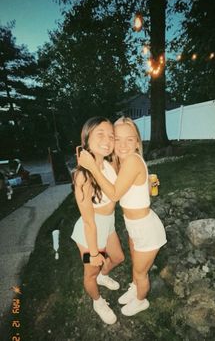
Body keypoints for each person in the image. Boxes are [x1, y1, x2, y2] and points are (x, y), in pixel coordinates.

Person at [78, 116, 167, 316]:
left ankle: (140, 298)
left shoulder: (127, 162)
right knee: (90, 269)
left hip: (131, 227)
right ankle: (98, 300)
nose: (122, 144)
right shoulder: (114, 164)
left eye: (130, 139)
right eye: (117, 139)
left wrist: (92, 165)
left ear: (137, 142)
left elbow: (116, 192)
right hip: (91, 230)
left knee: (130, 265)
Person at [71, 117, 124, 324]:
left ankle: (103, 275)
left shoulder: (109, 165)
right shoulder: (83, 176)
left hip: (108, 224)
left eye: (111, 135)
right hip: (89, 234)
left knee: (118, 257)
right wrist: (93, 253)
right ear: (87, 138)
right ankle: (97, 301)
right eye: (100, 134)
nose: (108, 139)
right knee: (90, 272)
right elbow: (88, 222)